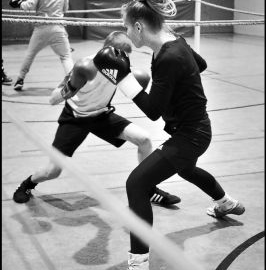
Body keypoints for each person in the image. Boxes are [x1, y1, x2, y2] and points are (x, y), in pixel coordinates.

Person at [93, 0, 245, 270]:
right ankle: (224, 202)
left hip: (190, 135)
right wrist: (162, 80)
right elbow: (199, 64)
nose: (125, 32)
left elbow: (150, 110)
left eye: (125, 25)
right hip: (195, 129)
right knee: (187, 169)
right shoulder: (173, 43)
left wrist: (121, 78)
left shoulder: (168, 56)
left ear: (137, 26)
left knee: (137, 185)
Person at [13, 30, 181, 208]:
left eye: (124, 56)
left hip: (102, 115)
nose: (122, 60)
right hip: (75, 118)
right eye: (119, 55)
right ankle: (27, 184)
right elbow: (53, 98)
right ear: (107, 51)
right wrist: (69, 89)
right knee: (52, 171)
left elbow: (146, 98)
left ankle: (148, 189)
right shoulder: (83, 67)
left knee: (144, 139)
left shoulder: (120, 67)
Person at [9, 0, 74, 91]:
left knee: (30, 54)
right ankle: (73, 83)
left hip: (41, 28)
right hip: (58, 27)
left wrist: (19, 3)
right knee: (66, 56)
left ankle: (20, 80)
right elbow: (65, 10)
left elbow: (29, 6)